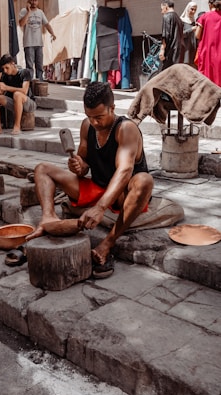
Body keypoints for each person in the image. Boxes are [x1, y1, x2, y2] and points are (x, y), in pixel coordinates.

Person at [27, 82, 154, 279]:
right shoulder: (87, 125)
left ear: (112, 108)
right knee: (42, 169)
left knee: (145, 180)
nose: (94, 122)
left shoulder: (126, 128)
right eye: (90, 116)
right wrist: (78, 166)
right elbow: (83, 165)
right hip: (98, 187)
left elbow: (124, 170)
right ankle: (47, 218)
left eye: (99, 117)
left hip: (122, 195)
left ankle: (108, 243)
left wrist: (101, 208)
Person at [0, 54, 37, 137]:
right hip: (14, 103)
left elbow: (24, 91)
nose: (5, 70)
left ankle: (17, 126)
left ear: (12, 64)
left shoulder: (24, 72)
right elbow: (1, 92)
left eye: (6, 68)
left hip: (28, 103)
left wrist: (6, 87)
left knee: (17, 94)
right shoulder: (5, 76)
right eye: (3, 68)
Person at [19, 0, 56, 81]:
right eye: (32, 0)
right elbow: (21, 24)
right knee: (30, 67)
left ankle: (40, 85)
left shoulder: (40, 12)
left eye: (35, 0)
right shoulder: (23, 11)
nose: (34, 2)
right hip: (28, 43)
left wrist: (53, 34)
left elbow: (46, 24)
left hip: (39, 43)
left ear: (38, 1)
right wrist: (28, 12)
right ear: (28, 0)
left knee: (39, 66)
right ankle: (30, 86)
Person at [195, 0, 221, 87]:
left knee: (207, 76)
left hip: (207, 51)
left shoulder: (204, 17)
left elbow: (197, 35)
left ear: (210, 4)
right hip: (219, 51)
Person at [159, 0, 184, 71]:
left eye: (162, 8)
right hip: (179, 50)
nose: (161, 12)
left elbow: (166, 35)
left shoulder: (167, 16)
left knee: (164, 74)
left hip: (170, 50)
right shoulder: (179, 19)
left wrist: (162, 49)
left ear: (166, 6)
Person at [180, 1, 197, 67]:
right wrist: (191, 29)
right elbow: (180, 34)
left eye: (195, 10)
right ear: (188, 8)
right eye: (192, 9)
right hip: (185, 50)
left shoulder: (194, 21)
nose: (193, 11)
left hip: (193, 49)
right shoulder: (182, 20)